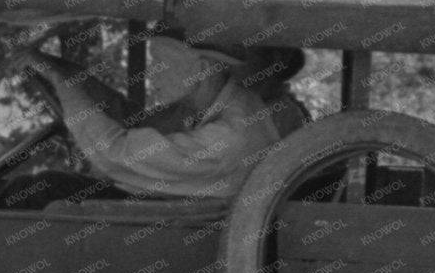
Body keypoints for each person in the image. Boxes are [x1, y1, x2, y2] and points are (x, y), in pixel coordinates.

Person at [23, 37, 308, 200]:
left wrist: (61, 82)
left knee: (39, 190)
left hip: (177, 233)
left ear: (200, 69)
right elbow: (134, 123)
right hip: (166, 215)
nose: (152, 76)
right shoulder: (212, 106)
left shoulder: (230, 135)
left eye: (160, 63)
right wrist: (67, 76)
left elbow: (115, 152)